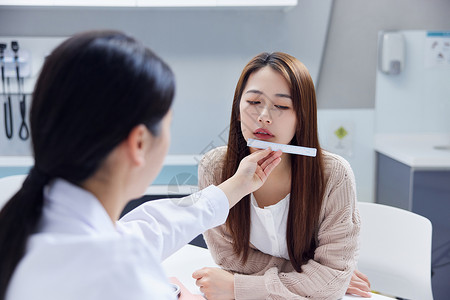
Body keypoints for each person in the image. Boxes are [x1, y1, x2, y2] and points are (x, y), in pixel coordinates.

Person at [0, 31, 283, 300]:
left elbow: (146, 230)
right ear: (139, 143)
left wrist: (235, 186)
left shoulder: (21, 206)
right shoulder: (122, 276)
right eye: (169, 125)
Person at [192, 52, 371, 299]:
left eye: (282, 106)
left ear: (302, 118)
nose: (264, 116)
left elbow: (330, 284)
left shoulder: (334, 175)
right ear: (237, 110)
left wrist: (239, 288)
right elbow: (228, 257)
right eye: (254, 102)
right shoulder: (215, 168)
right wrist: (312, 277)